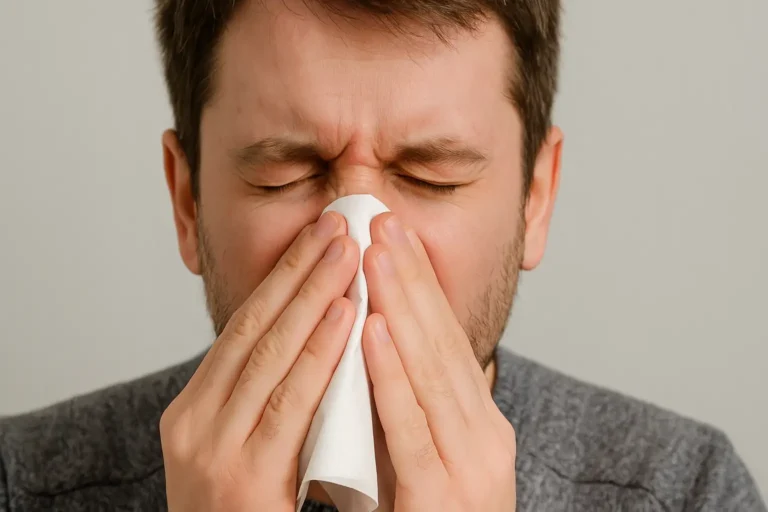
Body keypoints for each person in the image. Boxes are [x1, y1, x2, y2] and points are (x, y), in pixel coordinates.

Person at [0, 0, 764, 510]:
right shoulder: (23, 483)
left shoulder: (683, 489)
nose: (360, 253)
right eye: (285, 174)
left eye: (432, 175)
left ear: (535, 198)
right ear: (188, 199)